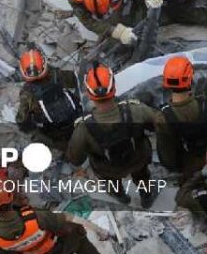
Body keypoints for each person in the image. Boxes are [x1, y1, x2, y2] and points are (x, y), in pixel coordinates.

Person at [65, 63, 162, 207]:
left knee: (110, 182)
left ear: (89, 94)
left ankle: (120, 196)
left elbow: (75, 159)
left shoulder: (83, 128)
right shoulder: (136, 110)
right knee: (142, 176)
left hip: (108, 168)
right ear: (114, 88)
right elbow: (161, 124)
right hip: (137, 159)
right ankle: (147, 197)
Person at [14, 47, 83, 149]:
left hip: (58, 134)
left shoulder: (27, 93)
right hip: (78, 120)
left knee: (38, 136)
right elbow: (76, 80)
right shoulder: (57, 75)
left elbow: (22, 120)